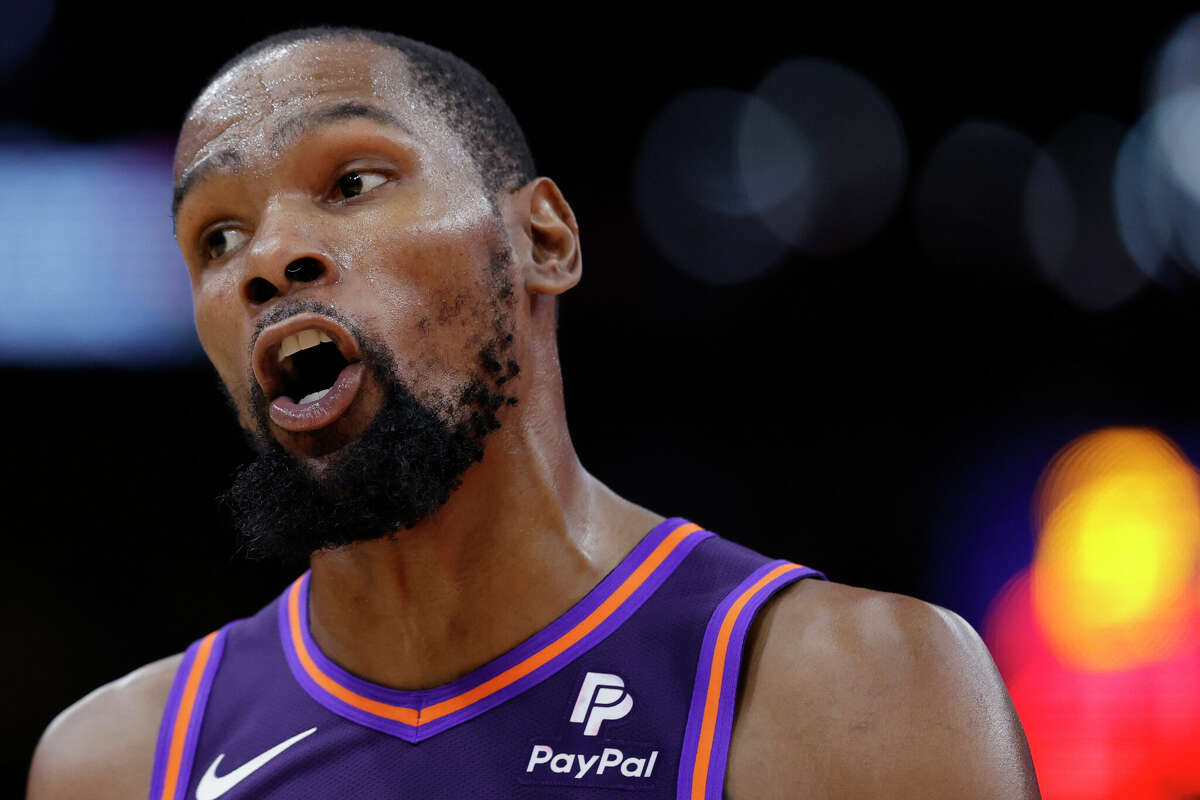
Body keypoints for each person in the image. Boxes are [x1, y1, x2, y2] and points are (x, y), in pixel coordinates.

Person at [26, 26, 1041, 799]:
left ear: (543, 240)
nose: (266, 259)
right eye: (215, 237)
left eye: (352, 180)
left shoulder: (856, 693)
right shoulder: (116, 762)